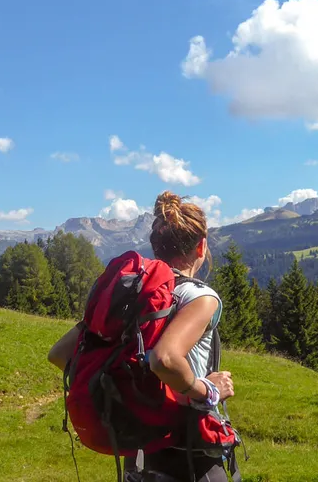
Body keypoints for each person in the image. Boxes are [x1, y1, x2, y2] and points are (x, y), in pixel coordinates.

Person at [48, 191, 236, 482]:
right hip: (189, 453)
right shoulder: (200, 297)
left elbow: (59, 355)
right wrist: (208, 391)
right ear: (201, 247)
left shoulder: (131, 297)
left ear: (155, 247)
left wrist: (132, 394)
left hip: (138, 449)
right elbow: (164, 359)